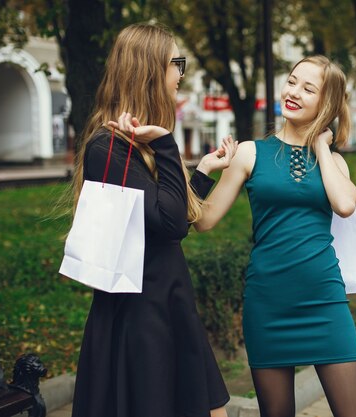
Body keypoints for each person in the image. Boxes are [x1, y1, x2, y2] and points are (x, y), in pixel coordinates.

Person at [68, 23, 237, 417]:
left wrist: (202, 171)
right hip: (140, 320)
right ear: (149, 70)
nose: (181, 73)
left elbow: (168, 223)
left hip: (171, 306)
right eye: (176, 63)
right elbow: (170, 223)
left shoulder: (139, 144)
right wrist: (164, 142)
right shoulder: (108, 147)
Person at [195, 55, 356, 417]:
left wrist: (321, 145)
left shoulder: (334, 163)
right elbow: (204, 220)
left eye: (308, 89)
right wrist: (202, 170)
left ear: (325, 104)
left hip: (324, 302)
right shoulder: (250, 153)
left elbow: (344, 204)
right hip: (268, 304)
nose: (293, 92)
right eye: (292, 81)